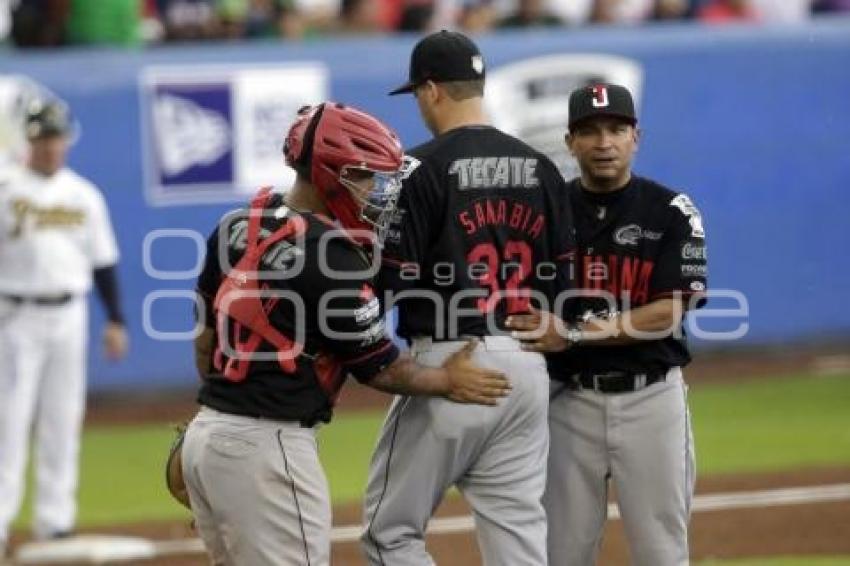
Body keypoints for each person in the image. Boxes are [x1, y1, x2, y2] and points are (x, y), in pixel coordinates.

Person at [181, 101, 511, 566]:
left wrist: (220, 452)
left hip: (207, 436)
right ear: (330, 174)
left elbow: (205, 345)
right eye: (362, 176)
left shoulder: (235, 224)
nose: (372, 191)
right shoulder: (333, 257)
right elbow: (380, 369)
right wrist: (448, 380)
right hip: (269, 448)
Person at [360, 31, 576, 566]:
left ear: (431, 90)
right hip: (527, 364)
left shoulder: (417, 168)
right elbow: (564, 282)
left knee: (389, 534)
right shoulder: (542, 166)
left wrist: (353, 333)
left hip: (451, 366)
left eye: (416, 93)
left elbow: (392, 276)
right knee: (518, 535)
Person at [506, 83, 708, 566]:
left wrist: (573, 332)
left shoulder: (671, 211)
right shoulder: (545, 213)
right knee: (562, 552)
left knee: (661, 551)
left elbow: (669, 310)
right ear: (570, 141)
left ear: (636, 136)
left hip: (651, 400)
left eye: (617, 129)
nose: (604, 143)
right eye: (590, 131)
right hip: (567, 402)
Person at [0, 100, 128, 558]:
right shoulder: (7, 189)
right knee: (8, 421)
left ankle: (55, 520)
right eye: (42, 138)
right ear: (28, 141)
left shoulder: (83, 195)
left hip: (69, 314)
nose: (50, 146)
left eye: (56, 138)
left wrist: (116, 318)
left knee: (62, 415)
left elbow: (103, 262)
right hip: (15, 313)